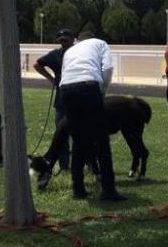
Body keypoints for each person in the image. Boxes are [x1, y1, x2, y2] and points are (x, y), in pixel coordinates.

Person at [58, 31, 126, 201]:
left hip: (66, 89)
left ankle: (78, 188)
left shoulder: (70, 50)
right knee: (101, 140)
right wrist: (102, 92)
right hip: (88, 86)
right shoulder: (101, 43)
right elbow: (108, 69)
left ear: (78, 40)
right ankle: (108, 190)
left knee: (78, 140)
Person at [33, 28, 75, 173]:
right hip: (61, 101)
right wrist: (51, 79)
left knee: (82, 133)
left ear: (72, 39)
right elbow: (37, 65)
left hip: (79, 99)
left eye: (66, 40)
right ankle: (64, 166)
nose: (64, 43)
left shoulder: (80, 53)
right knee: (61, 134)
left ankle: (89, 164)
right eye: (61, 40)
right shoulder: (55, 55)